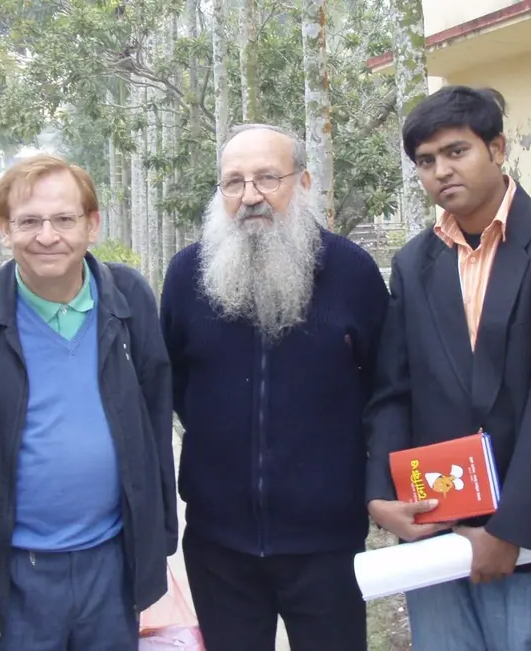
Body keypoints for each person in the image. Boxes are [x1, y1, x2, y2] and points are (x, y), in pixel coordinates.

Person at [363, 85, 531, 651]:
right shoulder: (414, 262)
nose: (441, 171)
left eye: (457, 151)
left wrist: (513, 529)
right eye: (426, 162)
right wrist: (381, 494)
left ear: (497, 149)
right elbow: (393, 390)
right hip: (434, 526)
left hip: (524, 533)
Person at [160, 124, 389, 651]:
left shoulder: (350, 271)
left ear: (304, 182)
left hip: (327, 540)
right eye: (234, 182)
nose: (250, 196)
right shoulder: (187, 274)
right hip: (218, 541)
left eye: (268, 178)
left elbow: (386, 388)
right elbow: (176, 385)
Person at [0, 154, 177, 651]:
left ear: (92, 225)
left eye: (63, 219)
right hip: (9, 568)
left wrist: (158, 536)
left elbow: (155, 418)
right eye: (28, 221)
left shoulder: (129, 298)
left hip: (109, 561)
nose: (47, 235)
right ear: (5, 228)